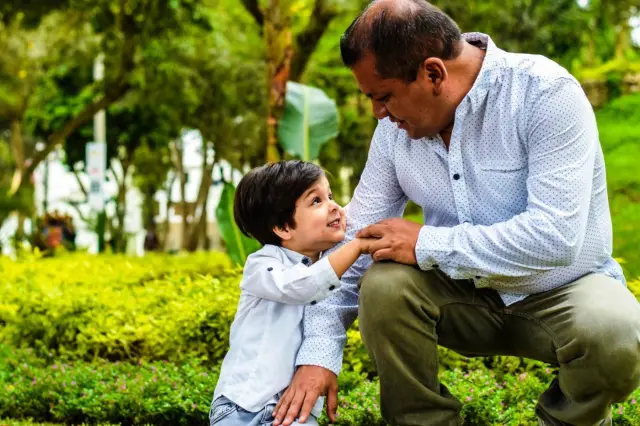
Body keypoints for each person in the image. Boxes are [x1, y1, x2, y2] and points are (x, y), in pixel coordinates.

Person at [272, 1, 640, 425]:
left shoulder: (546, 94)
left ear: (433, 73)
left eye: (384, 96)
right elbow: (353, 243)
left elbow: (554, 237)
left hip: (563, 291)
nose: (379, 113)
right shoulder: (394, 132)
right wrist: (319, 355)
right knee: (384, 285)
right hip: (459, 297)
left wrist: (426, 243)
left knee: (617, 331)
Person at [209, 160, 374, 426]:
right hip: (243, 407)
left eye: (330, 196)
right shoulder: (262, 266)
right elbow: (302, 286)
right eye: (316, 201)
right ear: (284, 227)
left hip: (296, 412)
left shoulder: (328, 263)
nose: (334, 206)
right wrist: (357, 246)